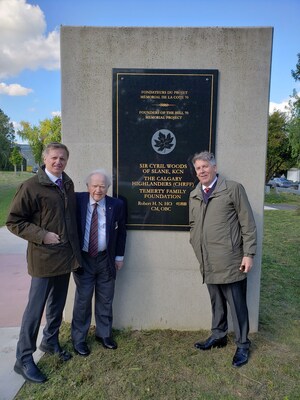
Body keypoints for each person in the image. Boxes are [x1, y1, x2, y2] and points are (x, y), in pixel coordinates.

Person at [6, 142, 82, 383]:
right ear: (45, 159)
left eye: (63, 158)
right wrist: (43, 235)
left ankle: (50, 341)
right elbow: (14, 221)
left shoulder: (67, 184)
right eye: (54, 158)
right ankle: (23, 358)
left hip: (65, 257)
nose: (58, 162)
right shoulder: (31, 186)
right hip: (43, 259)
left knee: (56, 306)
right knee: (34, 310)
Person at [189, 151, 257, 368]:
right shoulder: (194, 194)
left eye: (205, 167)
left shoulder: (233, 189)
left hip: (231, 260)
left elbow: (248, 223)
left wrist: (249, 254)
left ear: (214, 168)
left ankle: (243, 344)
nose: (202, 171)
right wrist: (195, 244)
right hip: (207, 260)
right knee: (216, 301)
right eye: (198, 168)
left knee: (237, 305)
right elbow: (193, 225)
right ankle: (218, 336)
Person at [71, 169, 126, 356]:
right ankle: (79, 339)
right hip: (84, 259)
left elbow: (122, 233)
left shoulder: (116, 205)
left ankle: (104, 334)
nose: (98, 190)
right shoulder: (77, 201)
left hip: (106, 259)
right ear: (87, 186)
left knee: (106, 298)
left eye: (102, 186)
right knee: (82, 300)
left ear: (108, 188)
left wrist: (119, 257)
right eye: (94, 185)